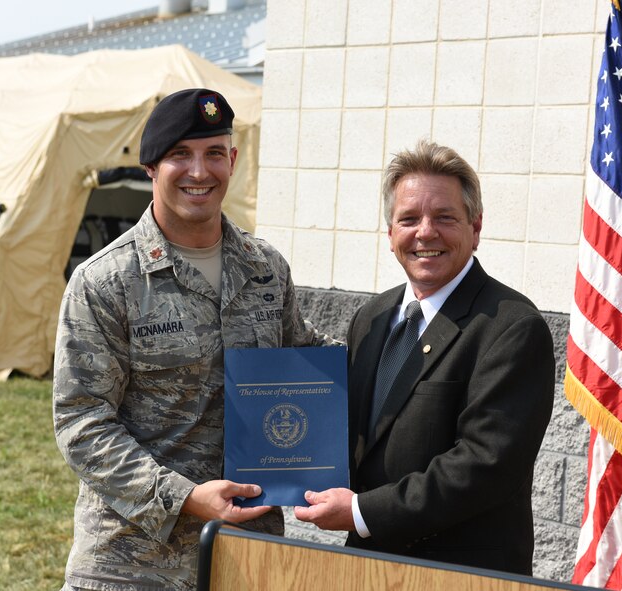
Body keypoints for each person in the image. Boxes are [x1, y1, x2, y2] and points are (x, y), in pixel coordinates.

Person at [53, 88, 327, 591]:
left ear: (233, 160)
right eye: (180, 154)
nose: (200, 172)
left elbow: (306, 366)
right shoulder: (106, 281)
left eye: (214, 153)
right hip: (131, 562)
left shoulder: (266, 269)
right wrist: (182, 497)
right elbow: (81, 423)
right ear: (150, 169)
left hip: (248, 553)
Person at [294, 139, 554, 576]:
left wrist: (362, 512)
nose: (426, 232)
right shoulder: (371, 318)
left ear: (476, 227)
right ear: (390, 234)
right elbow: (357, 437)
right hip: (366, 567)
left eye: (445, 218)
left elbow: (484, 465)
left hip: (458, 575)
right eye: (409, 219)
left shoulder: (511, 327)